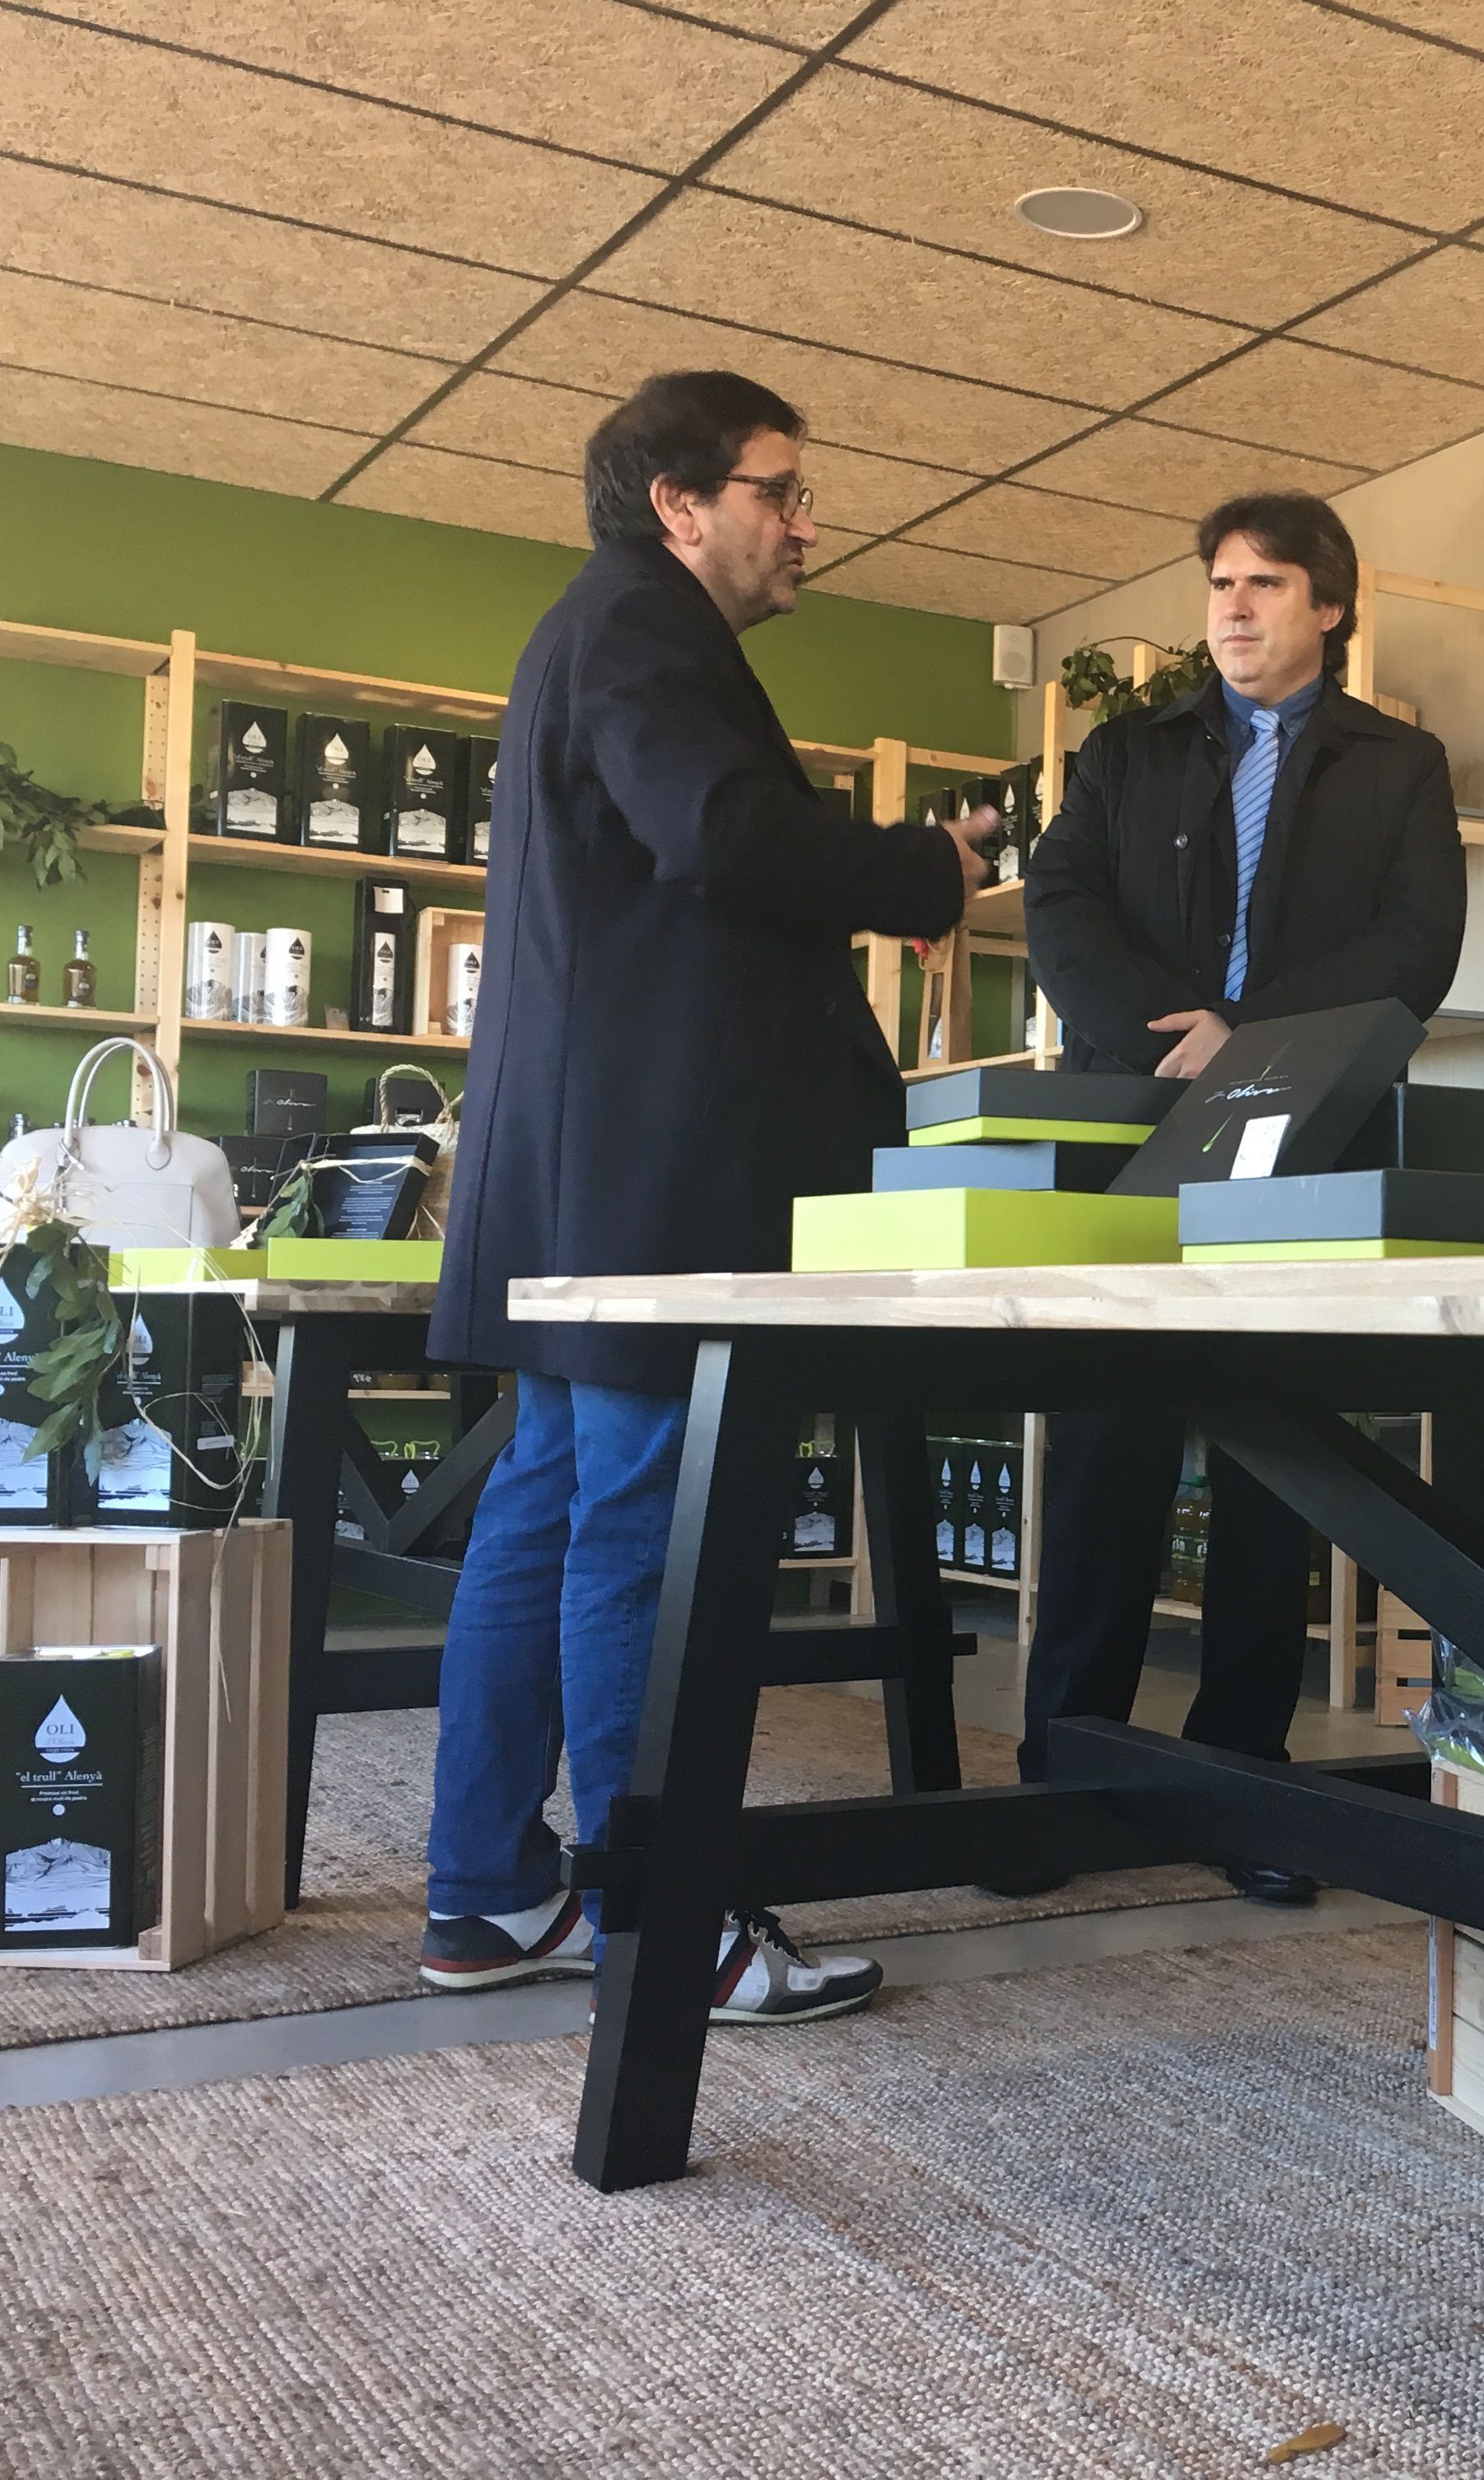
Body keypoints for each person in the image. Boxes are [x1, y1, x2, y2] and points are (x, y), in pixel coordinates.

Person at [421, 371, 995, 2017]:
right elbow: (725, 836)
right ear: (681, 503)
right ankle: (667, 1927)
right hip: (652, 1180)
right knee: (641, 1533)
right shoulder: (644, 628)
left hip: (585, 1173)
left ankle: (487, 1895)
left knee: (546, 1511)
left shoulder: (598, 630)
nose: (807, 523)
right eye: (779, 490)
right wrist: (921, 868)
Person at [1016, 491, 1466, 1901]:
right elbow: (1060, 903)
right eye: (1221, 582)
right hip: (1131, 1132)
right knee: (1107, 1459)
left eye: (1266, 583)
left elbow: (1418, 944)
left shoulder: (1400, 765)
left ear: (1330, 606)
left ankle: (1244, 1789)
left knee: (1275, 1469)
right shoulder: (1126, 750)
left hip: (1307, 1139)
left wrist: (1248, 1039)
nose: (1234, 606)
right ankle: (1065, 1780)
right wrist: (1172, 1034)